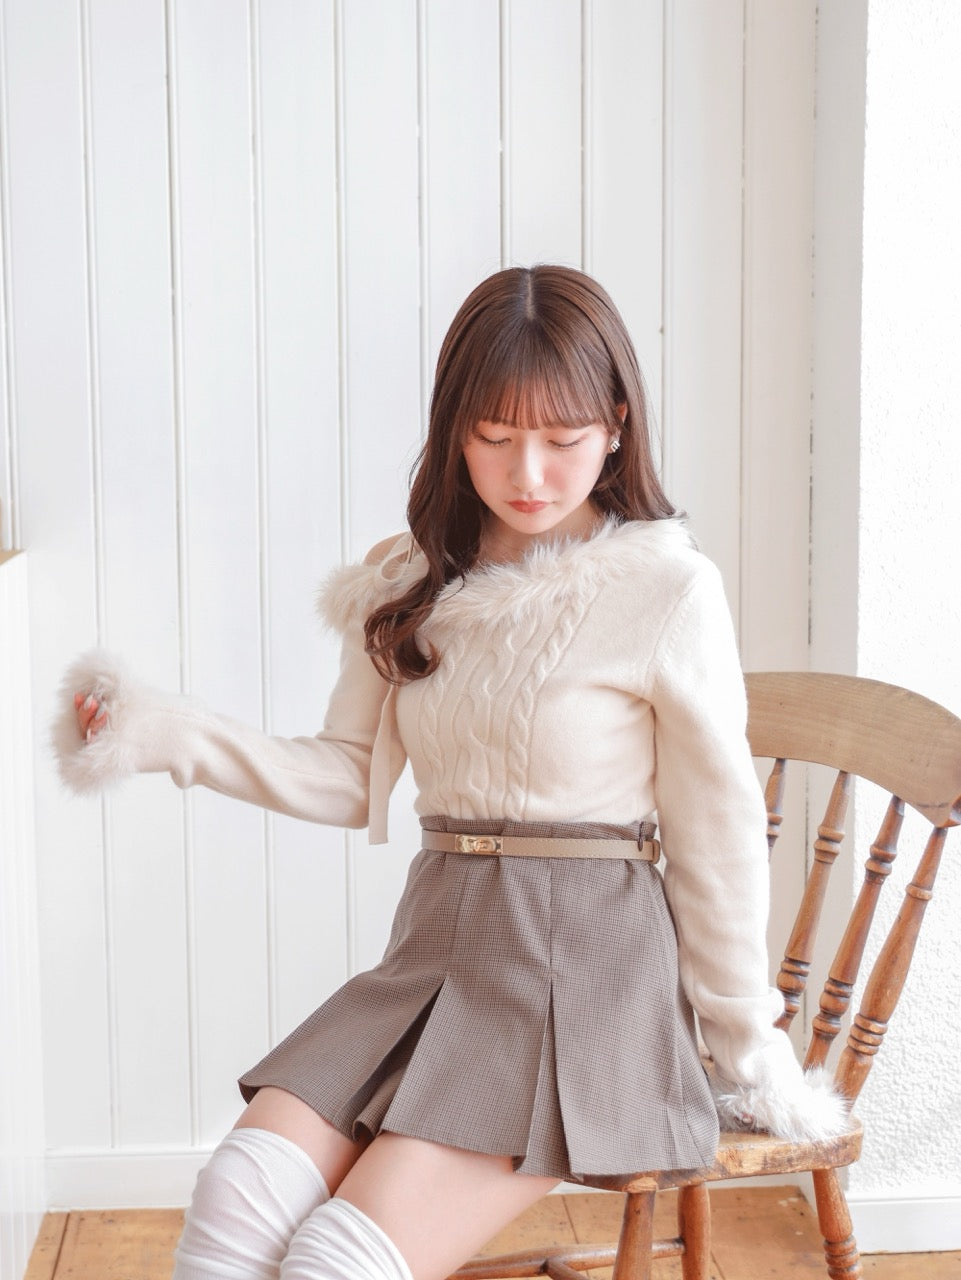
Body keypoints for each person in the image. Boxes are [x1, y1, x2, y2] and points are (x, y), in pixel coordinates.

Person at [55, 265, 845, 1280]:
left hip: (583, 979)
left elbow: (717, 834)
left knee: (337, 1259)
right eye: (494, 435)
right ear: (453, 428)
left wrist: (745, 1047)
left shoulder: (664, 588)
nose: (529, 473)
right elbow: (348, 775)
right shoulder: (411, 575)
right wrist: (163, 731)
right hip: (435, 952)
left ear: (616, 426)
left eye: (562, 439)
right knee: (235, 1199)